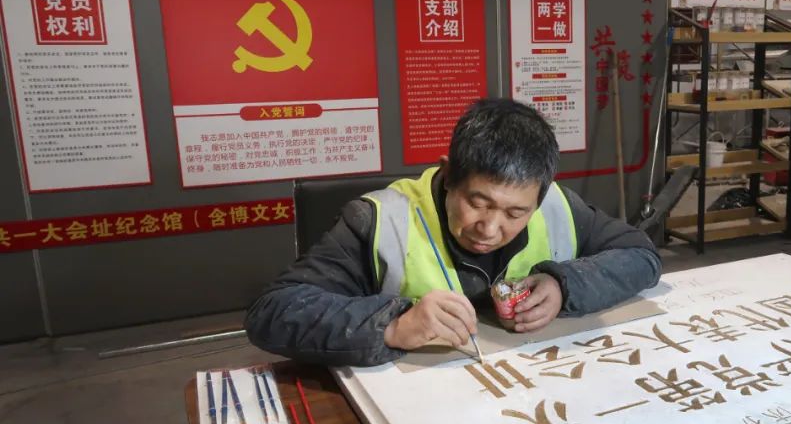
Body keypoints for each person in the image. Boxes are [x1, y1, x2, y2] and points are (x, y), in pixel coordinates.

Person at [245, 98, 662, 367]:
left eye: (515, 213)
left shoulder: (557, 206)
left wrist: (563, 284)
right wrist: (393, 325)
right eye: (478, 203)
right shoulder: (379, 220)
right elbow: (273, 312)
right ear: (448, 176)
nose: (490, 228)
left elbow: (641, 255)